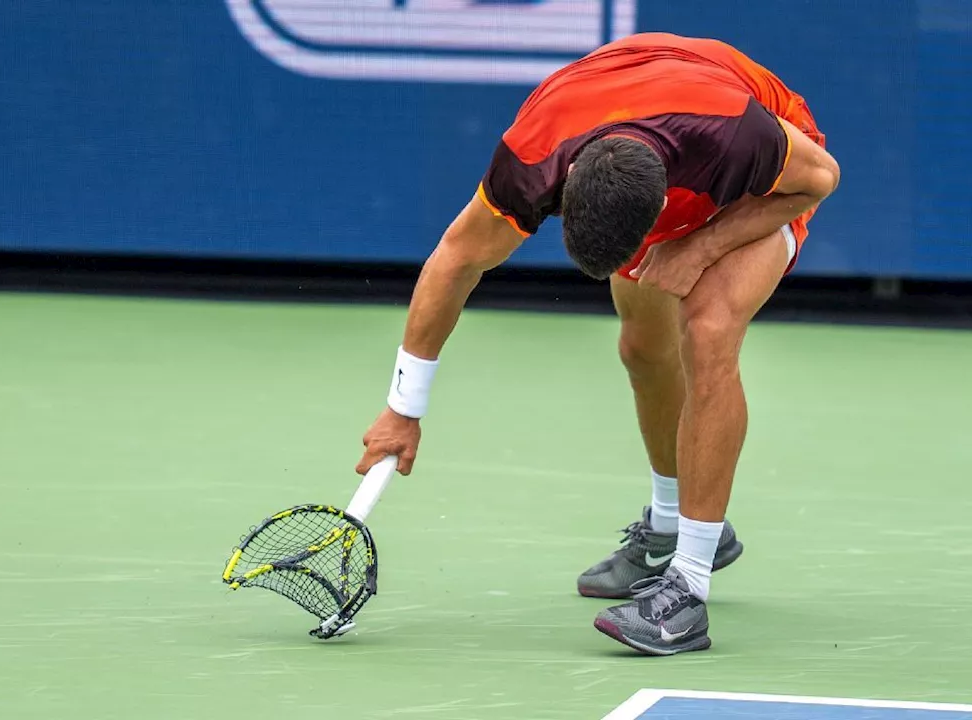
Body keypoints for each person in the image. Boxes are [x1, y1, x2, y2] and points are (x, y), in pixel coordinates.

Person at [354, 32, 839, 656]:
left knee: (708, 329)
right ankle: (671, 526)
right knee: (642, 347)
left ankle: (686, 592)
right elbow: (456, 259)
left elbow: (820, 180)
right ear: (569, 181)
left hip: (760, 175)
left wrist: (700, 246)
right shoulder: (534, 156)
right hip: (637, 123)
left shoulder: (738, 137)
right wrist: (403, 409)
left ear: (662, 204)